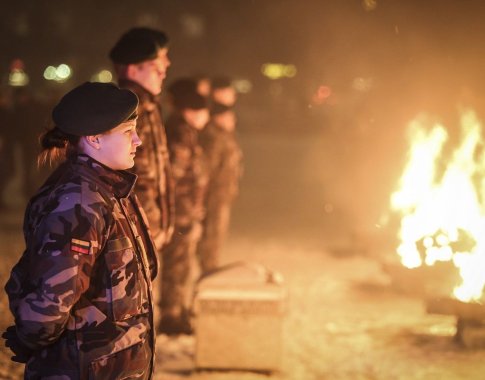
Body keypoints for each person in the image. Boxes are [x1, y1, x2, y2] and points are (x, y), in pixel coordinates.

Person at [3, 82, 158, 379]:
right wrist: (31, 336)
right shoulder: (78, 202)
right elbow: (50, 303)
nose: (138, 140)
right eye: (128, 131)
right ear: (94, 139)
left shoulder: (109, 190)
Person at [110, 27, 175, 329]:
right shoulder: (124, 108)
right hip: (131, 232)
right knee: (127, 319)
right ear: (133, 68)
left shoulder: (147, 106)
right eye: (158, 61)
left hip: (146, 228)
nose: (166, 67)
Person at [161, 81, 210, 334]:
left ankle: (177, 312)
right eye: (203, 111)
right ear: (190, 111)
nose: (206, 117)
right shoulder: (180, 133)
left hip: (187, 211)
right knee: (176, 265)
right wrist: (186, 210)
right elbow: (174, 177)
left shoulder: (186, 132)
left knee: (183, 265)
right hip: (180, 213)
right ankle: (171, 316)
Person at [197, 103, 243, 273]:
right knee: (212, 234)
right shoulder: (214, 138)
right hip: (214, 194)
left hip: (222, 193)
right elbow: (208, 169)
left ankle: (210, 266)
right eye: (229, 117)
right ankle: (208, 268)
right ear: (218, 118)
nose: (233, 120)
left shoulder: (224, 136)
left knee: (217, 234)